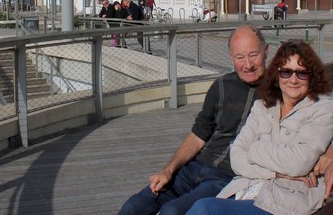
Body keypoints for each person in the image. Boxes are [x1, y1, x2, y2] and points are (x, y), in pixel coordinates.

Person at [118, 25, 269, 215]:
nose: (248, 65)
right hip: (196, 166)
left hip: (227, 176)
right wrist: (168, 170)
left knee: (172, 211)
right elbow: (199, 135)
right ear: (231, 58)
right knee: (134, 206)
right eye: (240, 57)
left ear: (266, 51)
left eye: (253, 55)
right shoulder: (221, 86)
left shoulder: (281, 91)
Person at [186, 40, 333, 215]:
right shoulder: (262, 107)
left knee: (205, 209)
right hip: (244, 190)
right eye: (286, 72)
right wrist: (277, 173)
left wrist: (254, 149)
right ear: (277, 75)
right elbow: (237, 158)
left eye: (302, 73)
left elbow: (298, 163)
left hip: (284, 200)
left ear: (312, 76)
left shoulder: (321, 108)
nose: (293, 80)